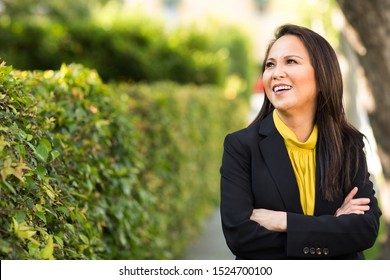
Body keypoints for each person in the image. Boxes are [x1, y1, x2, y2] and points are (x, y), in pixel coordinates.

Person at [220, 24, 382, 259]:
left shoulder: (349, 144)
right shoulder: (241, 146)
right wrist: (333, 227)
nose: (276, 73)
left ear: (322, 73)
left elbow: (365, 230)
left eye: (291, 61)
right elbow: (240, 236)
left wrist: (282, 221)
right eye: (270, 64)